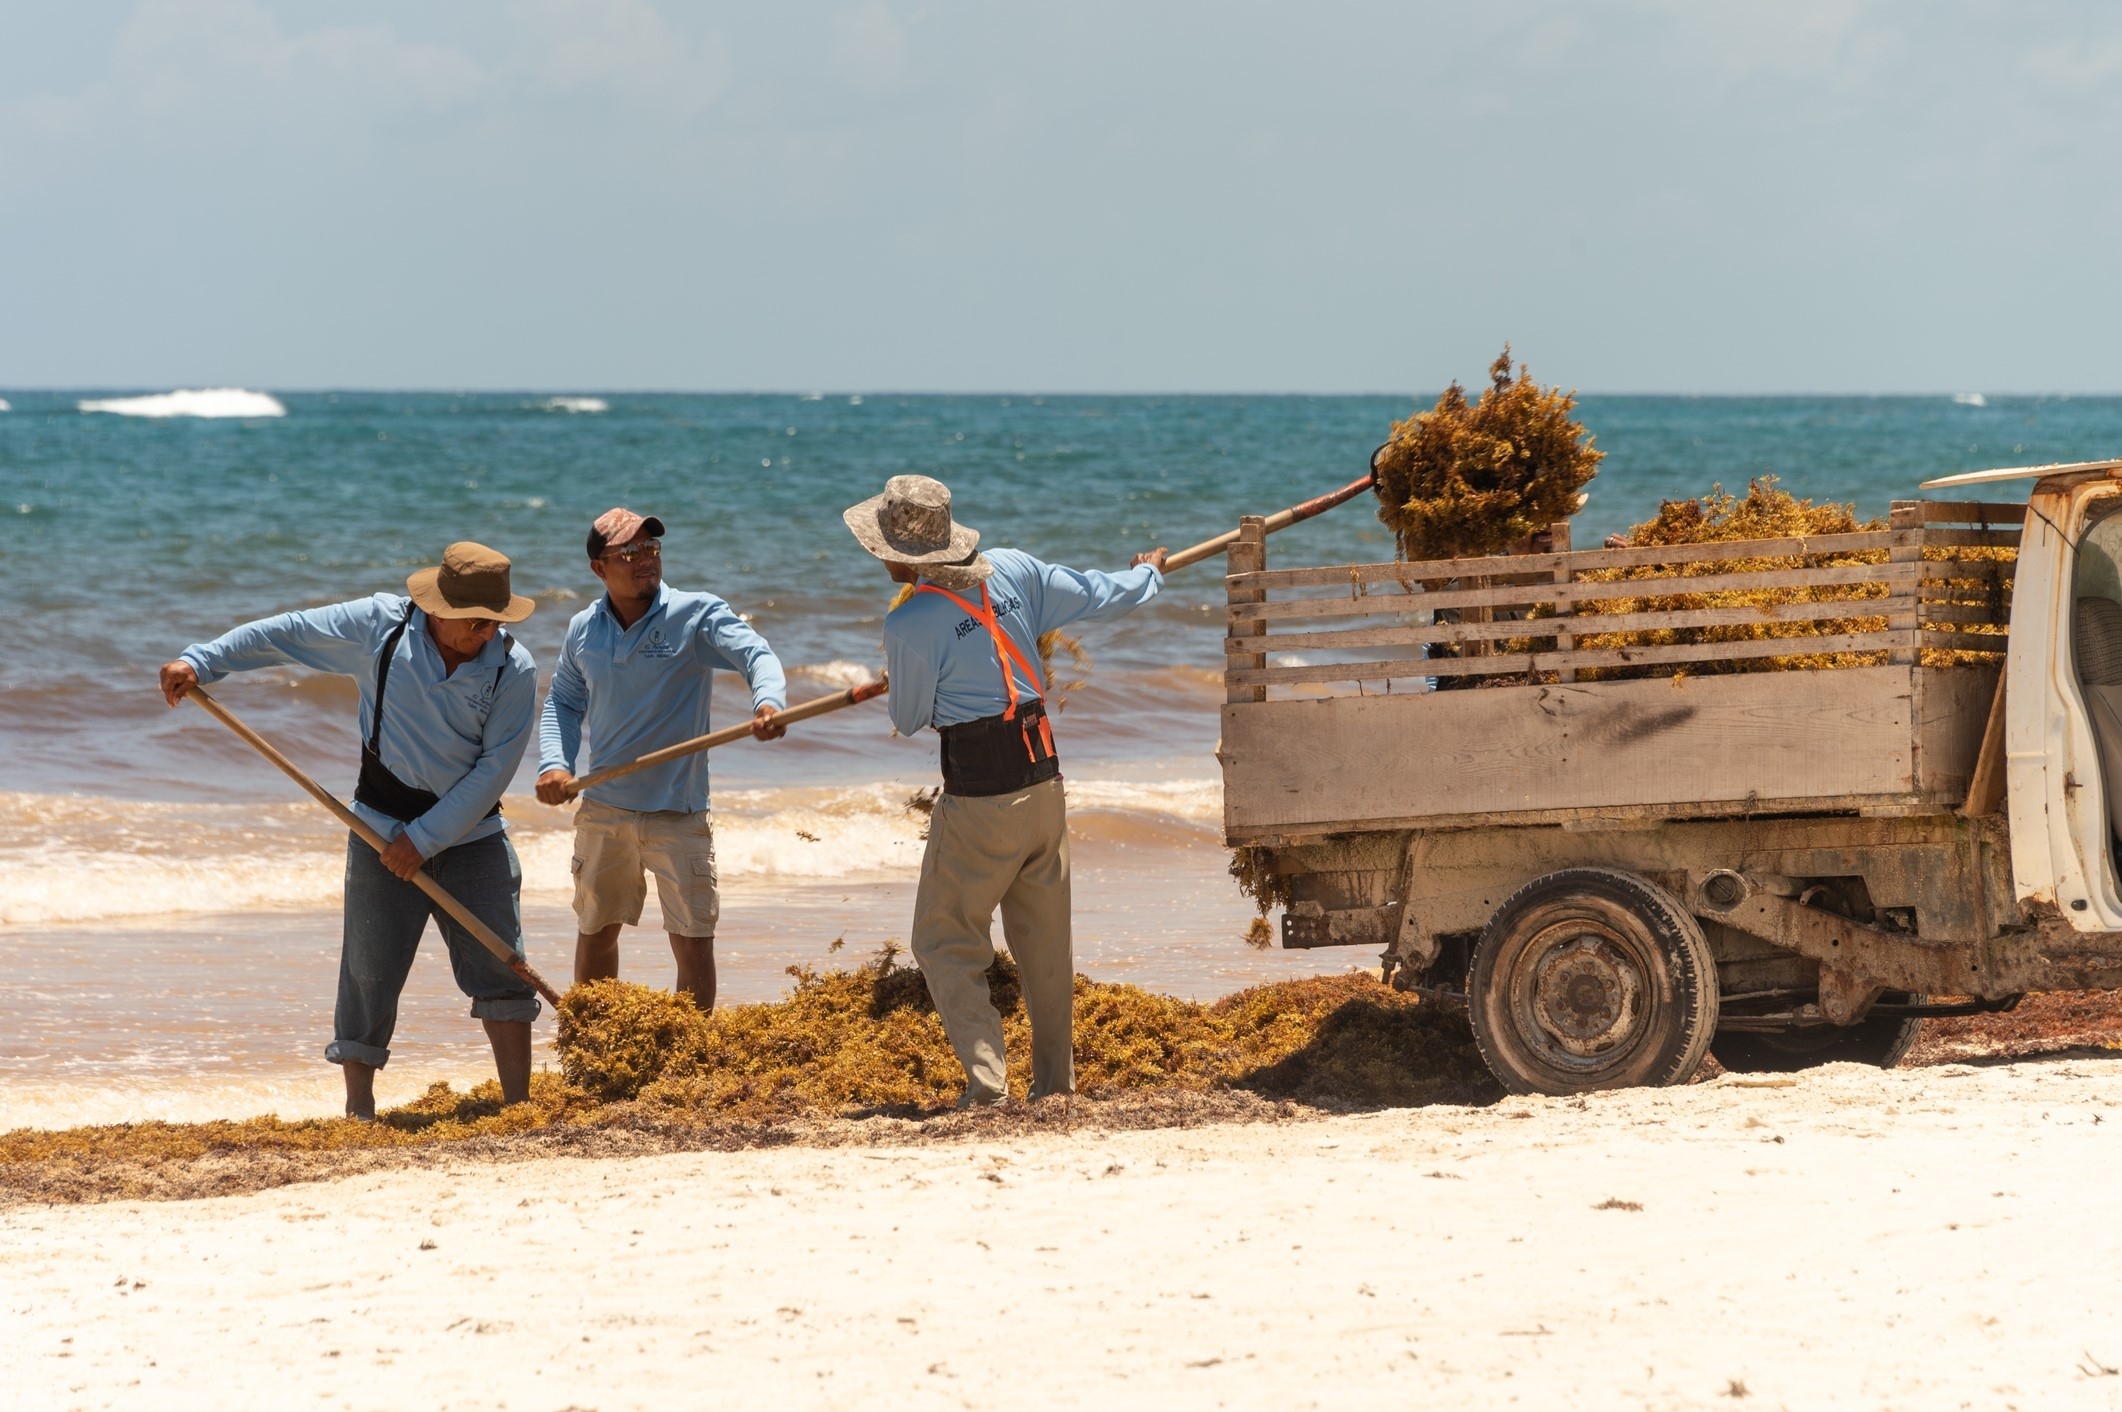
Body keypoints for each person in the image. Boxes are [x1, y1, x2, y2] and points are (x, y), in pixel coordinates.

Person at [157, 542, 541, 1120]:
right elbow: (285, 633)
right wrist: (202, 661)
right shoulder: (377, 628)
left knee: (502, 966)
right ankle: (359, 1110)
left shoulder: (515, 667)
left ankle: (519, 1107)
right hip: (379, 831)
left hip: (472, 835)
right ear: (439, 607)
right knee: (367, 972)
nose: (486, 633)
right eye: (476, 622)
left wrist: (427, 840)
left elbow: (495, 771)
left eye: (495, 622)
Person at [843, 474, 1166, 1107]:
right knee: (1045, 946)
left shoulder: (911, 621)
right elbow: (1103, 593)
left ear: (908, 555)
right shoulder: (1015, 570)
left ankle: (988, 1085)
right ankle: (1055, 1088)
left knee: (943, 940)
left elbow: (909, 718)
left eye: (882, 546)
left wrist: (904, 671)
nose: (878, 556)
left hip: (981, 794)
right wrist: (1149, 572)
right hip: (1044, 782)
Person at [535, 508, 788, 1010]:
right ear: (598, 568)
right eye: (627, 553)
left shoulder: (696, 615)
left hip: (678, 809)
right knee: (596, 933)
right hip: (605, 807)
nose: (644, 560)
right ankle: (593, 1044)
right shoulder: (583, 629)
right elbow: (563, 702)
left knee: (692, 940)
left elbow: (756, 654)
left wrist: (769, 702)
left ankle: (687, 1062)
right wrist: (553, 765)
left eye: (651, 550)